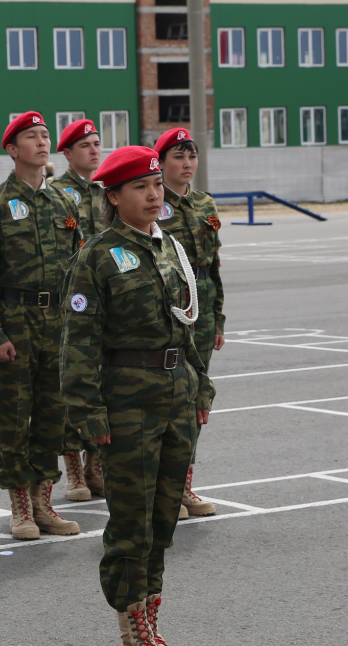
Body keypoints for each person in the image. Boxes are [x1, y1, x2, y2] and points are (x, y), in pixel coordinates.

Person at [60, 145, 215, 646]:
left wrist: (200, 388)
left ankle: (151, 621)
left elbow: (185, 323)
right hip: (127, 404)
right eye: (141, 188)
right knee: (132, 525)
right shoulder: (98, 256)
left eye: (156, 185)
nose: (154, 194)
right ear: (114, 196)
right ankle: (132, 637)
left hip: (175, 394)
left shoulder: (169, 245)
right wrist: (87, 415)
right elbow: (78, 344)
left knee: (164, 517)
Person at [0, 112, 83, 540]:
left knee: (53, 413)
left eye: (45, 135)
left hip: (59, 322)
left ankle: (43, 499)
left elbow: (78, 268)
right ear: (12, 150)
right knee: (16, 415)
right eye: (31, 136)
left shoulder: (63, 203)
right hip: (16, 319)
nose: (41, 141)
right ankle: (19, 504)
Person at [155, 128, 224, 519]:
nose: (186, 164)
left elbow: (212, 267)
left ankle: (184, 485)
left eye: (191, 156)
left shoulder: (204, 203)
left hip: (202, 311)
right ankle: (163, 487)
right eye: (178, 157)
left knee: (197, 400)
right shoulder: (151, 202)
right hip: (168, 313)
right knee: (169, 401)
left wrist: (218, 320)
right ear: (161, 162)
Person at [54, 119, 106, 502]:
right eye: (84, 145)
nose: (93, 150)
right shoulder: (57, 194)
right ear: (68, 154)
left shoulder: (109, 191)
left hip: (105, 300)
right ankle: (73, 469)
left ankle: (97, 462)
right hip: (69, 302)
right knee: (71, 387)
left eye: (96, 143)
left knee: (104, 384)